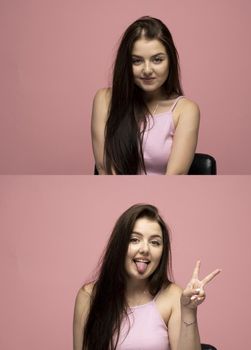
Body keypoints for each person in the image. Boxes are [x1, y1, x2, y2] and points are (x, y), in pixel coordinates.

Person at [73, 204, 220, 350]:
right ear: (119, 245)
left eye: (155, 242)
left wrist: (189, 311)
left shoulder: (174, 296)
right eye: (134, 240)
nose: (144, 249)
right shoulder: (88, 296)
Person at [91, 16, 200, 175]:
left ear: (170, 61)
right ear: (126, 63)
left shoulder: (186, 110)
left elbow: (175, 176)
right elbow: (104, 169)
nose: (147, 70)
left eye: (157, 60)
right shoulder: (104, 100)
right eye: (137, 61)